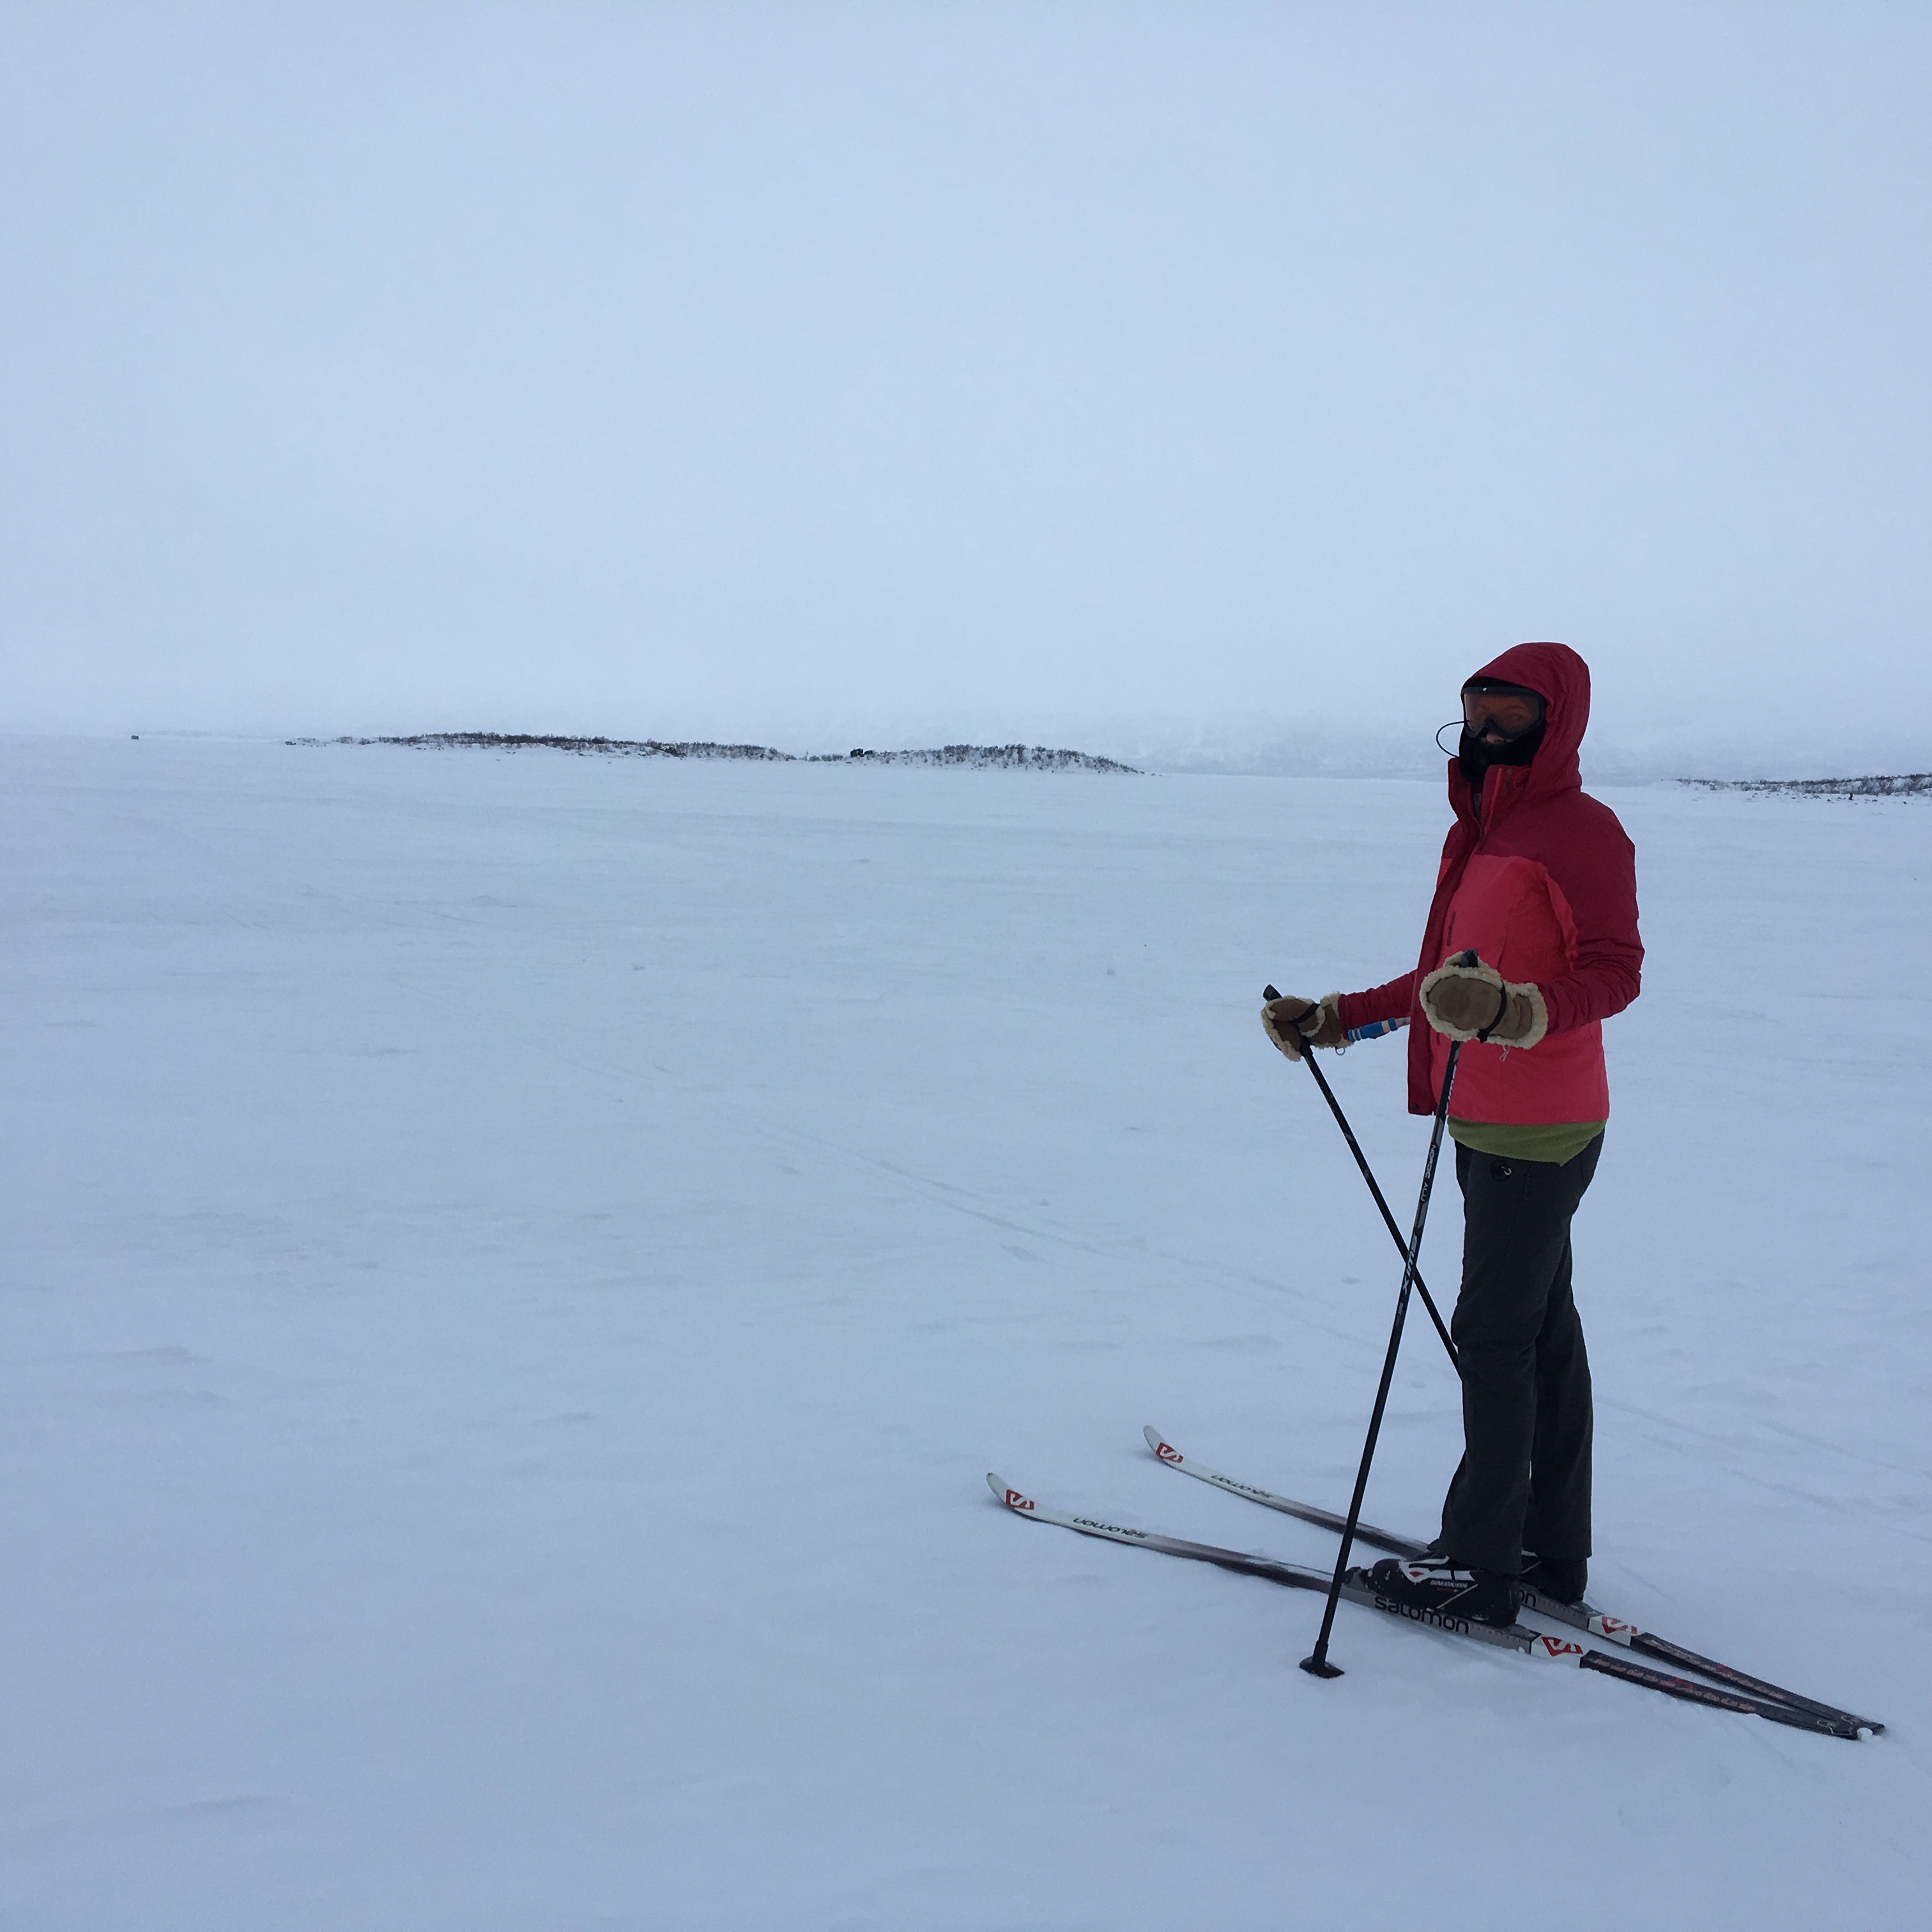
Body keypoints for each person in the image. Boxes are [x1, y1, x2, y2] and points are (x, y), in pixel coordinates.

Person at [1261, 641, 1641, 1626]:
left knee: (1498, 1341)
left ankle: (1481, 1567)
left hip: (1542, 1128)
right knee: (1540, 1337)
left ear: (1556, 722)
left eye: (1508, 714)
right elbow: (1443, 983)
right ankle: (1548, 1550)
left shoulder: (1582, 832)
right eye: (1474, 710)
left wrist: (1520, 1012)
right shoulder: (1477, 835)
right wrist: (1338, 1015)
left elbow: (1614, 972)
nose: (1484, 730)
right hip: (1487, 1122)